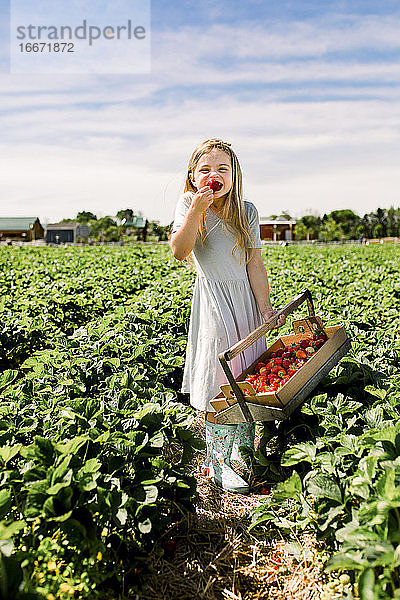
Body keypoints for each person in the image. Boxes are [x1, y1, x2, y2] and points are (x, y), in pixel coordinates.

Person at [169, 139, 285, 494]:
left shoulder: (246, 210)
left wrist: (265, 308)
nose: (214, 175)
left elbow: (254, 262)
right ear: (192, 176)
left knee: (247, 375)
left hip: (245, 301)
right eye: (205, 169)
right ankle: (216, 461)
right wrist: (196, 211)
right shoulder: (189, 204)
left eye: (222, 169)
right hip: (214, 300)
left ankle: (244, 450)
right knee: (219, 378)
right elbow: (179, 251)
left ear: (234, 176)